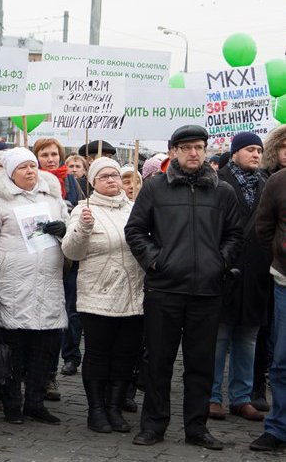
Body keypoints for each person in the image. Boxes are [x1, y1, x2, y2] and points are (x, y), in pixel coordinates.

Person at [125, 124, 243, 450]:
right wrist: (156, 261)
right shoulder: (155, 188)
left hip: (207, 291)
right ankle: (153, 425)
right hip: (164, 290)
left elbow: (235, 235)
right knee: (158, 363)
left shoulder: (222, 191)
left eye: (199, 147)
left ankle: (197, 428)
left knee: (201, 365)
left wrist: (219, 262)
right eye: (187, 147)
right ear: (174, 151)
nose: (194, 153)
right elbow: (135, 230)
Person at [0, 147, 68, 425]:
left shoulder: (52, 197)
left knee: (45, 347)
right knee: (14, 349)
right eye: (22, 167)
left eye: (32, 166)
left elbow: (72, 233)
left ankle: (35, 402)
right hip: (13, 285)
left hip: (49, 282)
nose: (30, 171)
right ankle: (12, 403)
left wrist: (64, 231)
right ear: (10, 173)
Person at [61, 158, 144, 434]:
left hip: (133, 294)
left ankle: (114, 407)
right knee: (98, 354)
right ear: (93, 182)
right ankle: (96, 409)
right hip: (99, 294)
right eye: (104, 176)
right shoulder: (84, 210)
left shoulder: (135, 208)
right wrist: (83, 228)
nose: (111, 180)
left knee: (125, 355)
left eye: (115, 175)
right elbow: (71, 252)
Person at [208, 132, 271, 422]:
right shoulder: (217, 182)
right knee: (218, 338)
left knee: (248, 340)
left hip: (257, 272)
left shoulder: (266, 183)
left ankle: (241, 398)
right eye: (249, 149)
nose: (256, 154)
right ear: (234, 153)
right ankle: (211, 396)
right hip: (225, 270)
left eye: (259, 150)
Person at [33, 137, 84, 395]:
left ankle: (50, 374)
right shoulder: (30, 180)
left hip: (66, 258)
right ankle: (31, 372)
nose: (50, 159)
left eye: (54, 154)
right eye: (44, 155)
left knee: (61, 316)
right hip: (37, 256)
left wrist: (67, 226)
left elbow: (81, 214)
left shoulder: (71, 182)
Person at [251, 159, 286, 451]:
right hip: (285, 282)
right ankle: (278, 428)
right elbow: (263, 228)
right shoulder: (279, 181)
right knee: (282, 361)